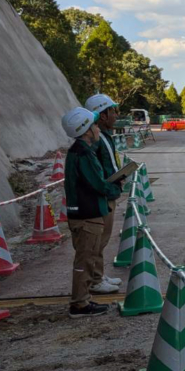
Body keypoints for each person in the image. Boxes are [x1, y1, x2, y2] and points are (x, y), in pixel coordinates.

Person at [62, 106, 121, 318]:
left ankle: (83, 299)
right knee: (85, 260)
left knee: (86, 259)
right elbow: (97, 183)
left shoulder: (78, 151)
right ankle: (79, 304)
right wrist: (115, 188)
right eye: (94, 125)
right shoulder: (84, 153)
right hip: (87, 215)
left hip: (85, 214)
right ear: (86, 130)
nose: (98, 128)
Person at [85, 93, 124, 294]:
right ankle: (94, 280)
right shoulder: (97, 139)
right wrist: (112, 186)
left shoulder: (105, 137)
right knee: (97, 241)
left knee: (103, 239)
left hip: (109, 194)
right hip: (103, 197)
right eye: (112, 111)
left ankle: (98, 275)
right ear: (102, 115)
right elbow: (99, 172)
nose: (116, 115)